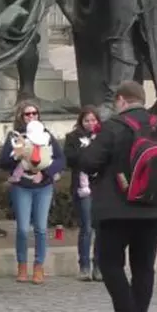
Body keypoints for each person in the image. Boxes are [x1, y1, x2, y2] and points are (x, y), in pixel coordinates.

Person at [80, 80, 157, 312]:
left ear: (121, 100)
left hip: (116, 208)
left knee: (109, 263)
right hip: (154, 207)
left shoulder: (114, 127)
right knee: (143, 267)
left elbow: (88, 162)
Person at [0, 101, 65, 284]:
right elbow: (3, 162)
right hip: (22, 185)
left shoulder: (47, 136)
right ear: (21, 116)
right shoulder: (15, 136)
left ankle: (38, 266)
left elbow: (60, 160)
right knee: (22, 228)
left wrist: (45, 173)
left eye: (34, 113)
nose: (32, 117)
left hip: (43, 186)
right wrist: (15, 156)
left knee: (41, 228)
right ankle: (22, 265)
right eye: (28, 114)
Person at [63, 105, 103, 282]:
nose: (90, 123)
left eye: (93, 120)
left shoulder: (104, 137)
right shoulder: (73, 138)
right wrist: (86, 151)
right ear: (81, 122)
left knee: (100, 228)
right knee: (87, 227)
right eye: (87, 120)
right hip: (82, 186)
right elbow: (70, 159)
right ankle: (84, 266)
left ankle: (99, 266)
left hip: (101, 186)